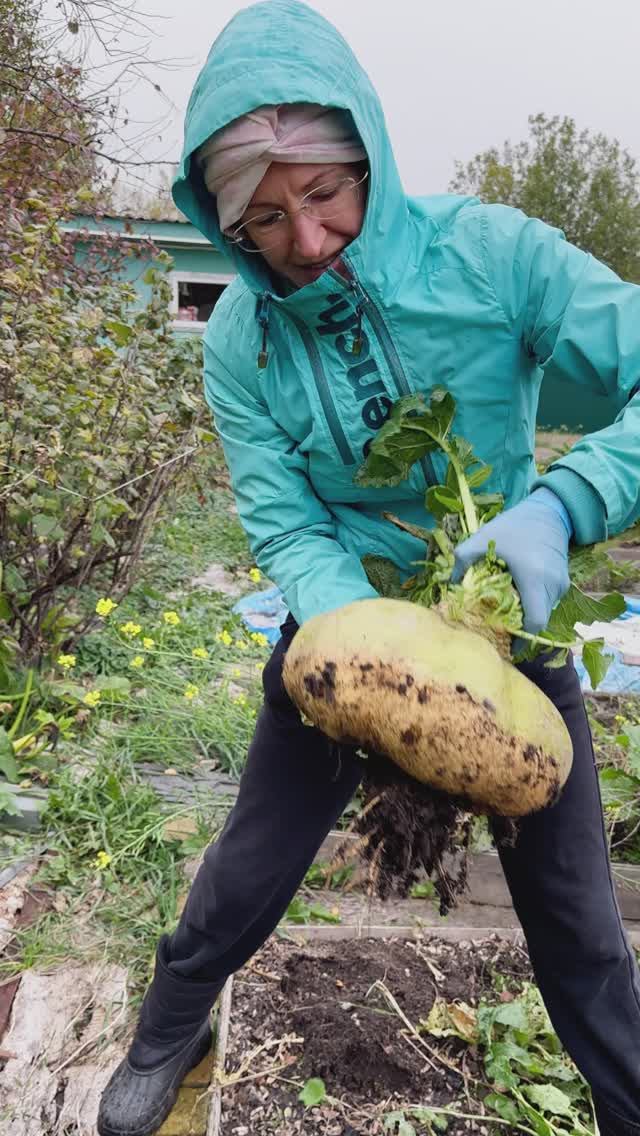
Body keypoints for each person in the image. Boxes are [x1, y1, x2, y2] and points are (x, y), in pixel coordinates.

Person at [97, 2, 640, 1134]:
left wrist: (564, 503)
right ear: (226, 225)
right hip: (348, 647)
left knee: (581, 924)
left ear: (369, 159)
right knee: (248, 868)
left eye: (326, 193)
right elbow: (285, 522)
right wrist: (374, 651)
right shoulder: (241, 342)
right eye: (264, 218)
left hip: (506, 638)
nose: (305, 240)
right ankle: (169, 1026)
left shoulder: (489, 256)